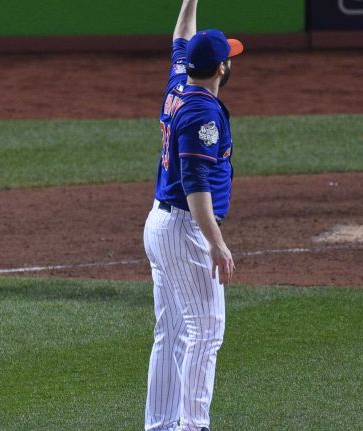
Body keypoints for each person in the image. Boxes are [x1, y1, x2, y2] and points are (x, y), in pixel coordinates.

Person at [142, 0, 242, 430]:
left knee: (171, 332)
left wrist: (189, 1)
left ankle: (161, 425)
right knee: (206, 330)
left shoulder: (180, 80)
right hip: (186, 229)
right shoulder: (203, 113)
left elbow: (180, 37)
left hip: (160, 225)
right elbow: (196, 184)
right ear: (220, 68)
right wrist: (216, 244)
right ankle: (193, 426)